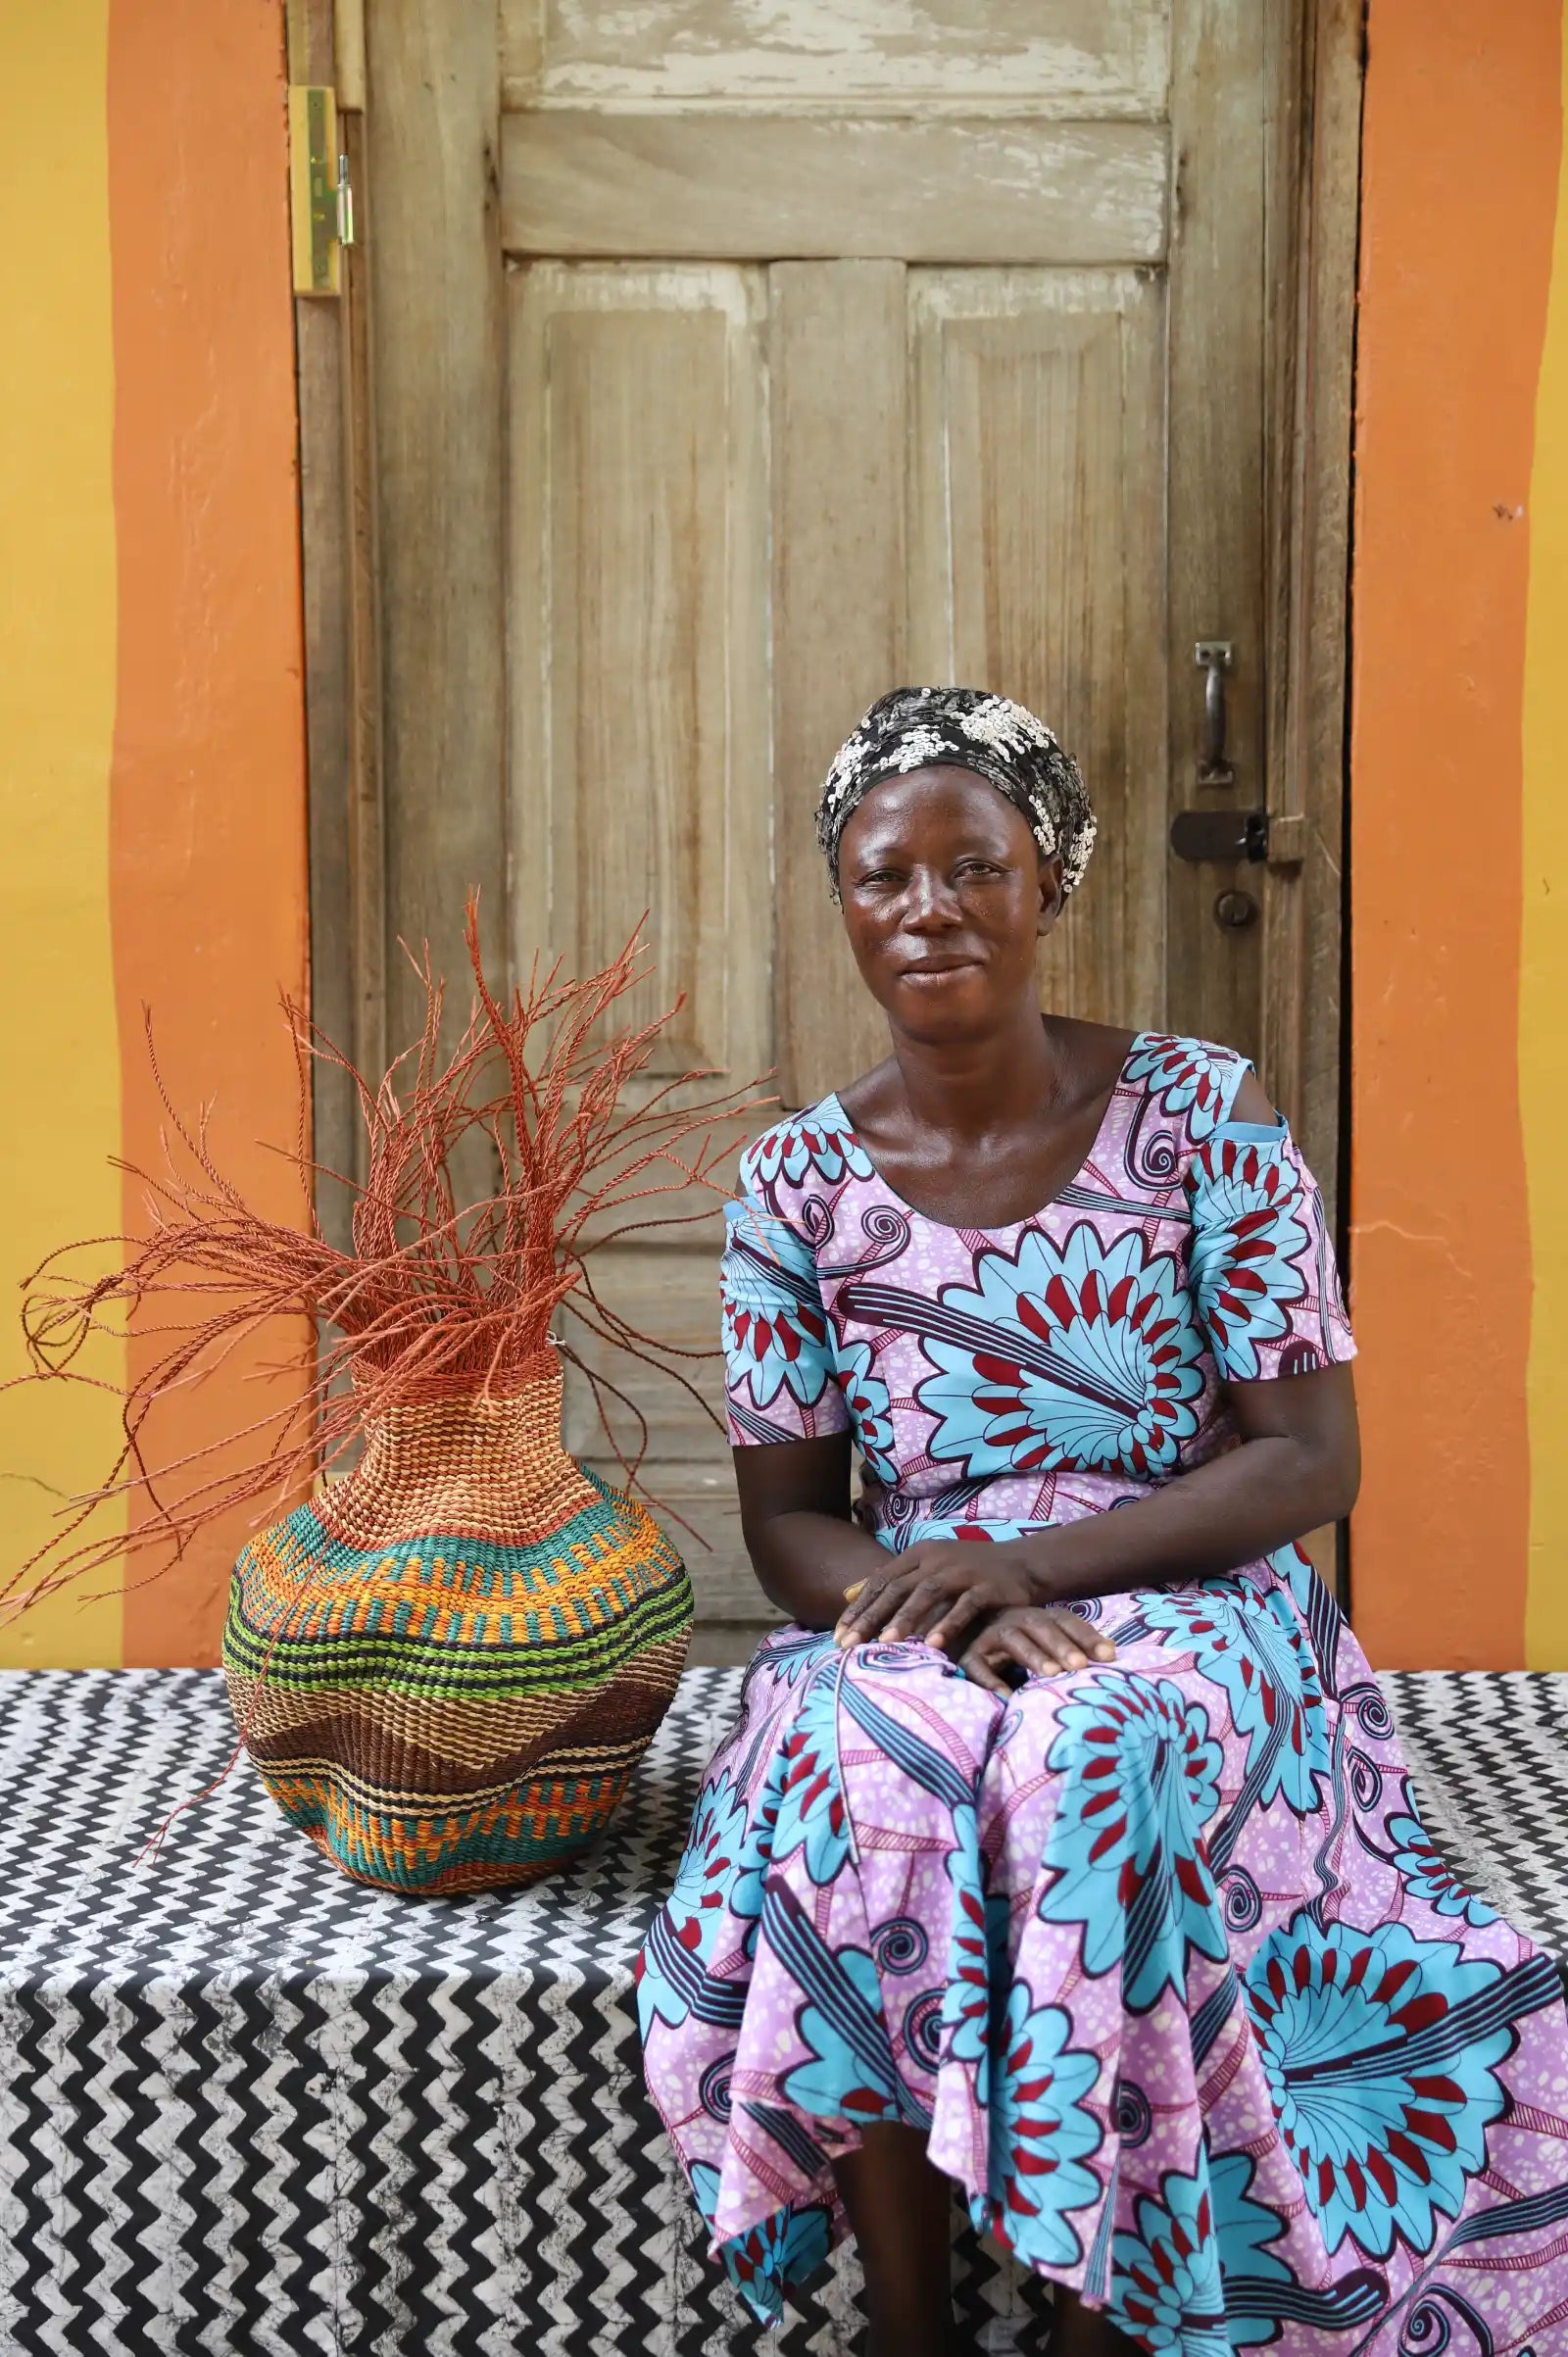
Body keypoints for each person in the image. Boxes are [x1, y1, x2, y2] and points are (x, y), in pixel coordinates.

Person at [637, 687, 1568, 2353]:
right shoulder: (790, 1186)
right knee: (878, 1751)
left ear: (1049, 880)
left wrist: (1031, 1566)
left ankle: (1102, 2317)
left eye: (973, 866)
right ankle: (907, 2322)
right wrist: (944, 1602)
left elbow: (1306, 1461)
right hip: (912, 1598)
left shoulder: (1208, 1118)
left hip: (1186, 1577)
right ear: (843, 901)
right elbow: (791, 1527)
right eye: (882, 875)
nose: (927, 910)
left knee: (1089, 1753)